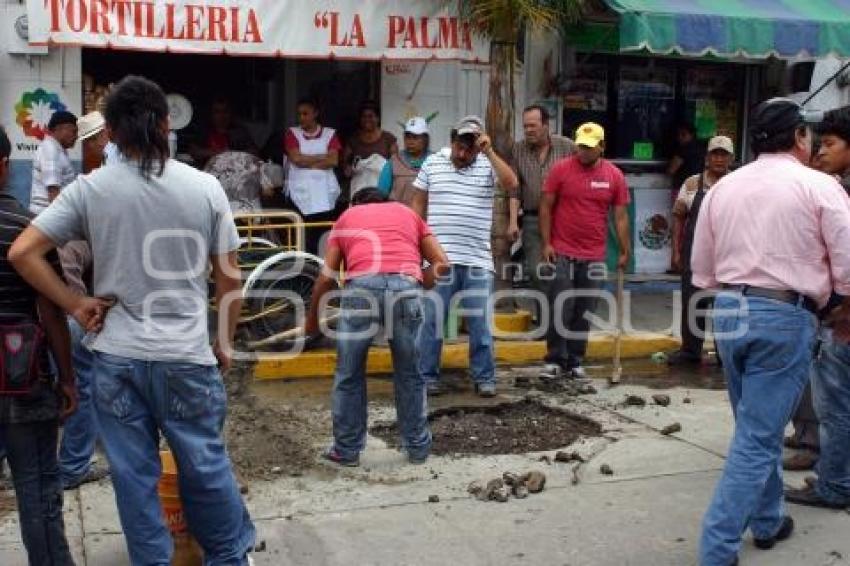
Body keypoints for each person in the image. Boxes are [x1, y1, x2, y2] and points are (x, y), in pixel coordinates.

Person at [9, 75, 256, 565]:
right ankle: (229, 558)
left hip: (117, 360)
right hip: (185, 357)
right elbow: (230, 281)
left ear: (113, 134)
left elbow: (23, 252)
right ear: (166, 124)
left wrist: (75, 303)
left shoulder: (91, 190)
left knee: (134, 478)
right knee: (205, 467)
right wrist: (224, 341)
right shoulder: (204, 188)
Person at [693, 98, 850, 565]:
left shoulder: (724, 188)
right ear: (799, 138)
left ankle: (767, 519)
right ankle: (717, 549)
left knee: (752, 428)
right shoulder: (819, 187)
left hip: (728, 311)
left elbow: (702, 269)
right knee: (758, 438)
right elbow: (847, 264)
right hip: (784, 315)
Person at [306, 187, 449, 466]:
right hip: (406, 287)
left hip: (362, 290)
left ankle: (346, 451)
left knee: (349, 373)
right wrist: (416, 283)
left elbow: (325, 279)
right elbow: (443, 264)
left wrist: (312, 322)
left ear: (355, 203)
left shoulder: (348, 217)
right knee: (410, 374)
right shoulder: (408, 214)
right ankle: (418, 448)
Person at [1, 125, 78, 565]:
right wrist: (67, 378)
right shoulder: (28, 230)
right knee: (37, 487)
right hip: (23, 375)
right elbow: (50, 312)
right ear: (4, 167)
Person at [412, 116, 519, 397]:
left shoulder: (487, 164)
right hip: (438, 260)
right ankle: (426, 376)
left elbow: (511, 183)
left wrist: (490, 152)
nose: (464, 152)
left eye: (470, 147)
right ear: (452, 141)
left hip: (477, 261)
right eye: (460, 145)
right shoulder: (433, 162)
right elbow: (417, 206)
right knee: (432, 320)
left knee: (479, 322)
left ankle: (484, 377)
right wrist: (415, 246)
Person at [785, 104, 850, 508]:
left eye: (828, 143)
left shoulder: (840, 194)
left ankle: (836, 486)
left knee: (835, 405)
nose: (820, 151)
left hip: (843, 317)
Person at [538, 123, 630, 381]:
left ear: (602, 147)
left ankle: (576, 359)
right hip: (563, 250)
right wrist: (547, 243)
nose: (584, 151)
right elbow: (546, 206)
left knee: (584, 309)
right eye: (581, 146)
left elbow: (620, 217)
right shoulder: (561, 169)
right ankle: (555, 358)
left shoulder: (614, 175)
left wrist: (625, 250)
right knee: (561, 306)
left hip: (594, 254)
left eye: (590, 147)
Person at [668, 136, 734, 366]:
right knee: (693, 303)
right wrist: (675, 251)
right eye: (715, 154)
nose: (719, 159)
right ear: (707, 157)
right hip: (694, 254)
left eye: (723, 155)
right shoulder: (692, 184)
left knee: (724, 306)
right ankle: (690, 351)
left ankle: (725, 354)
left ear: (731, 159)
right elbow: (678, 218)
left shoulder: (737, 183)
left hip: (727, 255)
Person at [511, 104, 575, 318]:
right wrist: (512, 221)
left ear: (546, 126)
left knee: (563, 273)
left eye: (533, 125)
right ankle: (546, 322)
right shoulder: (517, 149)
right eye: (525, 126)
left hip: (564, 219)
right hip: (532, 219)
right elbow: (514, 189)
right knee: (538, 272)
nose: (528, 130)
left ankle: (563, 320)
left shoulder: (567, 147)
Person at [284, 98, 342, 255]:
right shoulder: (292, 133)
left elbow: (334, 160)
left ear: (316, 113)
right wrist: (322, 157)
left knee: (323, 233)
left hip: (325, 194)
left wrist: (306, 161)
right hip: (301, 194)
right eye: (299, 114)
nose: (301, 117)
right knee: (303, 236)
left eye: (305, 114)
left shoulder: (330, 134)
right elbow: (296, 159)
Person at [667, 122, 705, 273]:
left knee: (679, 226)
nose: (679, 138)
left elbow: (671, 169)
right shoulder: (702, 149)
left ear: (688, 134)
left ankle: (678, 263)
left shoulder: (683, 149)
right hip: (700, 191)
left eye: (682, 135)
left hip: (683, 190)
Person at [376, 116, 431, 211]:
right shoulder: (394, 162)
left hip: (427, 219)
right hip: (398, 217)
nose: (410, 142)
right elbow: (381, 193)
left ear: (425, 139)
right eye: (407, 137)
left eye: (415, 137)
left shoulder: (434, 161)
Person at [30, 110, 78, 215]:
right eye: (73, 131)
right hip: (47, 215)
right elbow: (53, 191)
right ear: (59, 128)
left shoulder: (56, 149)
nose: (76, 136)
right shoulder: (50, 149)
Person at [189, 96, 258, 167]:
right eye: (217, 112)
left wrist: (232, 154)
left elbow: (254, 152)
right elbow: (194, 152)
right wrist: (216, 153)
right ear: (212, 114)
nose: (222, 116)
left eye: (225, 111)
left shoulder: (239, 132)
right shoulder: (205, 131)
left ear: (230, 113)